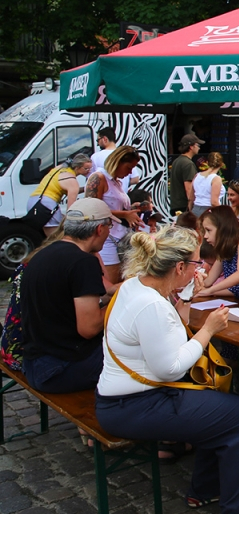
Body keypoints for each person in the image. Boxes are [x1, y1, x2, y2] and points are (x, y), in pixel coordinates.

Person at [95, 225, 239, 514]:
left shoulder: (136, 285)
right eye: (196, 263)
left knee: (220, 410)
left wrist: (188, 296)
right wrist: (209, 329)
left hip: (131, 398)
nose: (201, 268)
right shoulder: (151, 305)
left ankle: (206, 490)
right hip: (133, 405)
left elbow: (173, 331)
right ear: (179, 266)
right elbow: (171, 368)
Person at [19, 199, 112, 393]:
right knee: (143, 358)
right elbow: (89, 328)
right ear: (99, 229)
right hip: (61, 369)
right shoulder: (82, 262)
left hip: (34, 363)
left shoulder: (41, 254)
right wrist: (120, 302)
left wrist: (105, 300)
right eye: (109, 227)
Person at [85, 145, 143, 284]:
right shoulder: (98, 178)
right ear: (118, 162)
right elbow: (90, 208)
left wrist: (131, 209)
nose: (130, 173)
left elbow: (111, 206)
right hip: (106, 239)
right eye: (129, 168)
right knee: (111, 284)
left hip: (119, 237)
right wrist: (124, 214)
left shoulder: (115, 181)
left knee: (121, 280)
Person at [194, 206, 239, 302]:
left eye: (209, 230)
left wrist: (211, 290)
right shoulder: (224, 251)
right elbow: (208, 281)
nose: (205, 236)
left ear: (222, 229)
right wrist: (197, 282)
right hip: (238, 300)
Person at [25, 153, 92, 236]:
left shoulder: (60, 168)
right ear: (77, 167)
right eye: (86, 168)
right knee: (56, 238)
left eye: (90, 168)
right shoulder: (72, 181)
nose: (89, 171)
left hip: (35, 201)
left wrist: (86, 188)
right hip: (47, 205)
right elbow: (70, 210)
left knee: (49, 236)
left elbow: (64, 187)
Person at [170, 135, 203, 215]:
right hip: (184, 206)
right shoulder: (188, 164)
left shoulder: (177, 161)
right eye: (197, 145)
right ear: (191, 147)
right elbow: (189, 188)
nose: (199, 148)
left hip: (176, 205)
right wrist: (191, 208)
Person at [191, 151, 223, 218]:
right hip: (209, 211)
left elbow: (191, 197)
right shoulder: (216, 178)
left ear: (207, 163)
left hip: (195, 208)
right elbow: (214, 202)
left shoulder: (197, 175)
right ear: (221, 164)